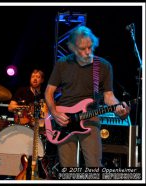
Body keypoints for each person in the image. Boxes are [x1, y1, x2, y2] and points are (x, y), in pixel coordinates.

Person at [45, 25, 130, 167]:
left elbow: (109, 96)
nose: (88, 52)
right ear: (72, 48)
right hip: (64, 119)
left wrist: (119, 109)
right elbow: (48, 92)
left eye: (90, 47)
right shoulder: (62, 63)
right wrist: (54, 113)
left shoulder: (103, 66)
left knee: (94, 166)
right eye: (82, 49)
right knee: (68, 168)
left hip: (91, 117)